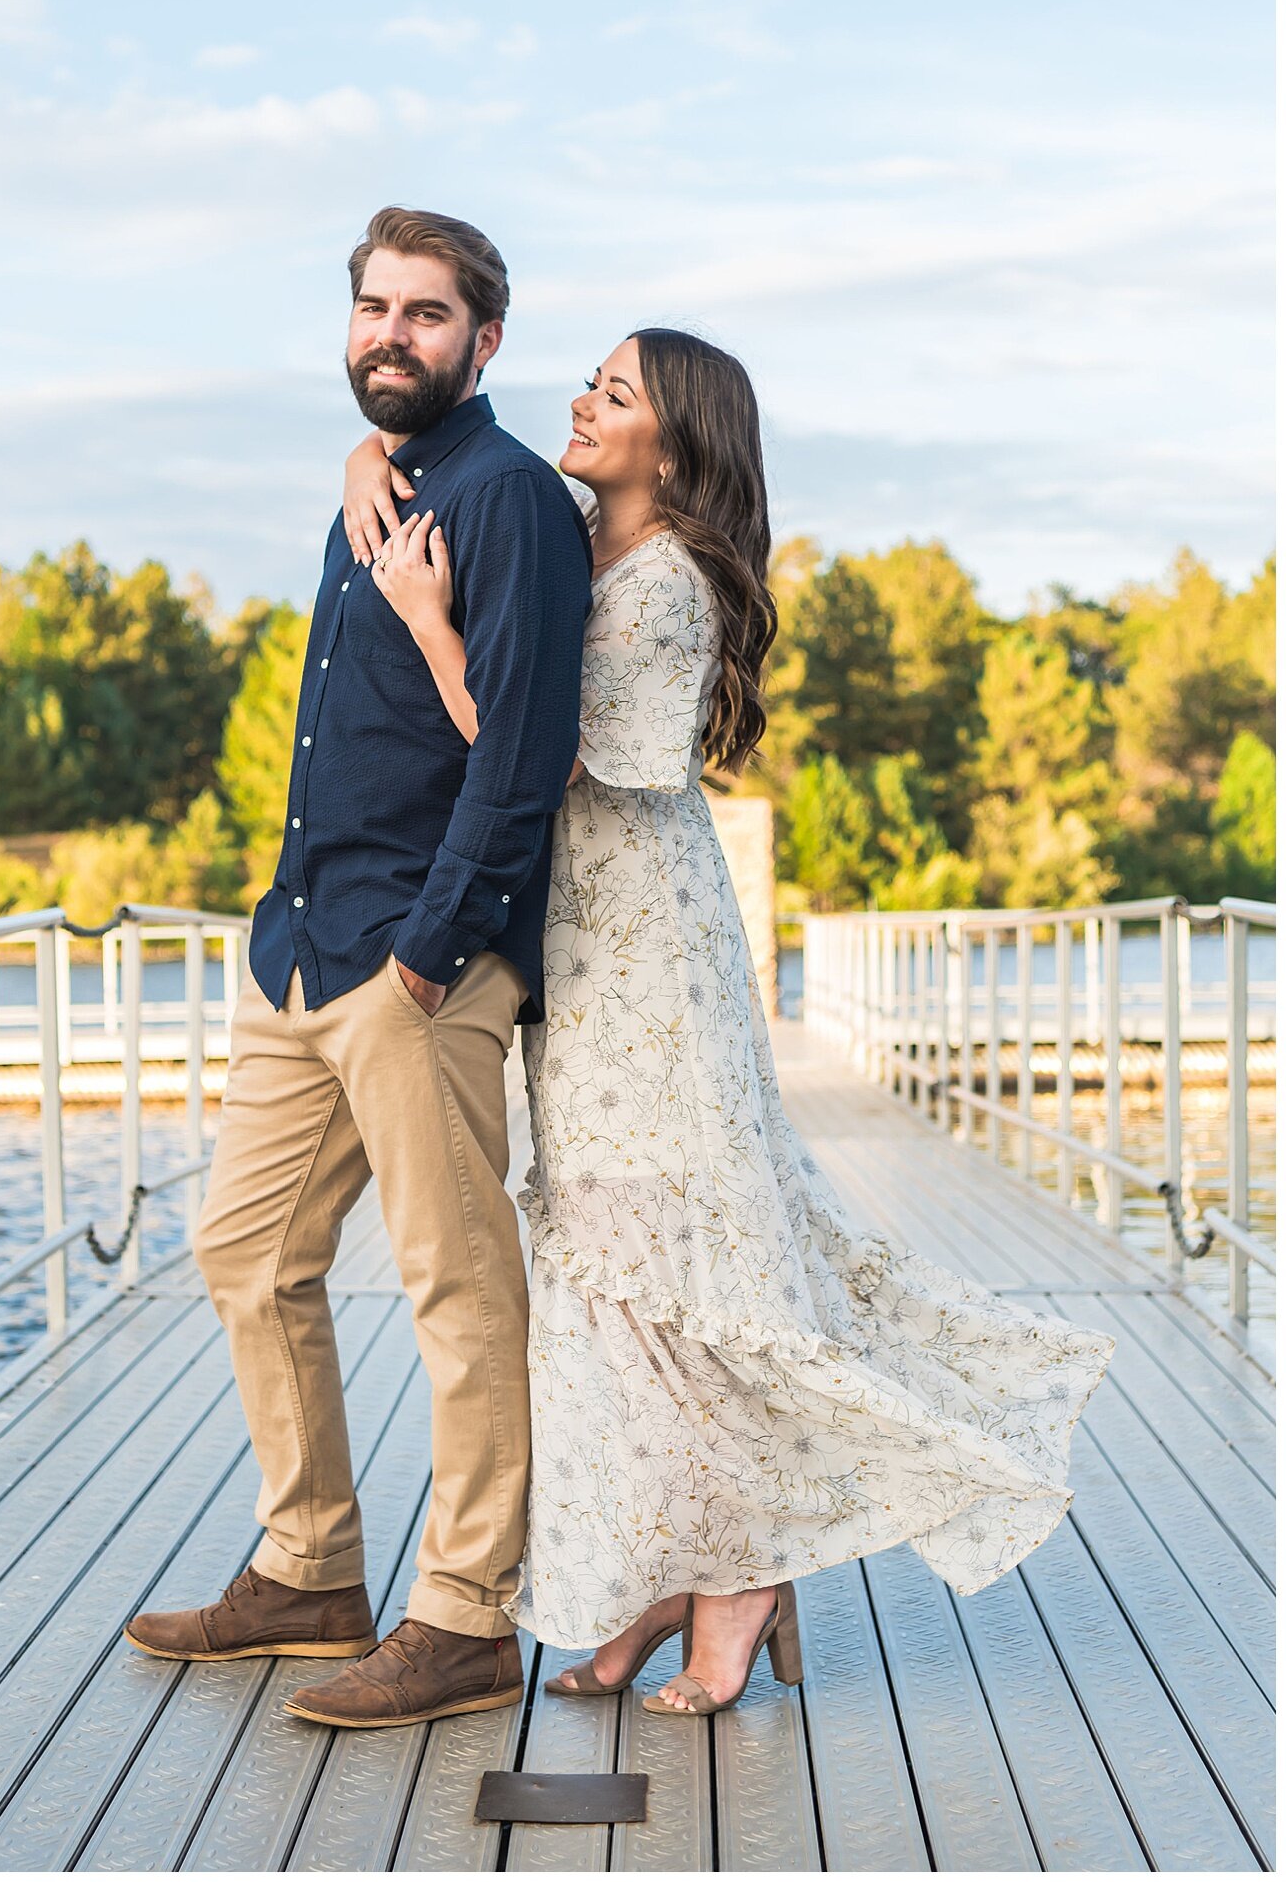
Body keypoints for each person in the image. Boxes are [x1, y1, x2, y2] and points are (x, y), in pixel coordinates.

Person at [348, 325, 1116, 1717]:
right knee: (603, 1260)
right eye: (589, 378)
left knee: (676, 1260)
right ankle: (676, 1567)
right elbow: (467, 467)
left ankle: (741, 1574)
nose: (583, 400)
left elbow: (552, 750)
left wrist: (424, 621)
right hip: (582, 939)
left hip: (647, 958)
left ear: (677, 443)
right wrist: (370, 448)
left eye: (615, 391)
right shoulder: (582, 534)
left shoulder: (671, 585)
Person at [123, 207, 593, 1732]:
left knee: (458, 1284)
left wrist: (428, 953)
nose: (392, 333)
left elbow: (521, 755)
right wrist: (294, 927)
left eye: (427, 313)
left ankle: (463, 1613)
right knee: (244, 1252)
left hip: (416, 962)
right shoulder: (373, 488)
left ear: (485, 339)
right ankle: (313, 1562)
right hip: (301, 946)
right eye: (374, 307)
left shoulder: (514, 499)